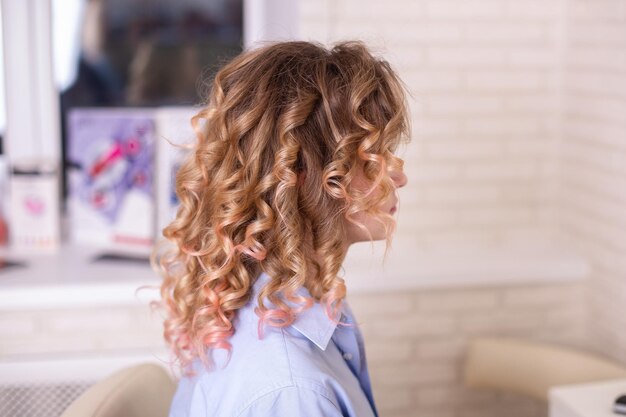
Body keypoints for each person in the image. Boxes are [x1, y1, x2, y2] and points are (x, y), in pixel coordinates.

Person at [151, 39, 411, 417]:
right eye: (371, 159)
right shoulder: (294, 393)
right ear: (299, 178)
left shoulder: (282, 305)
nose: (399, 176)